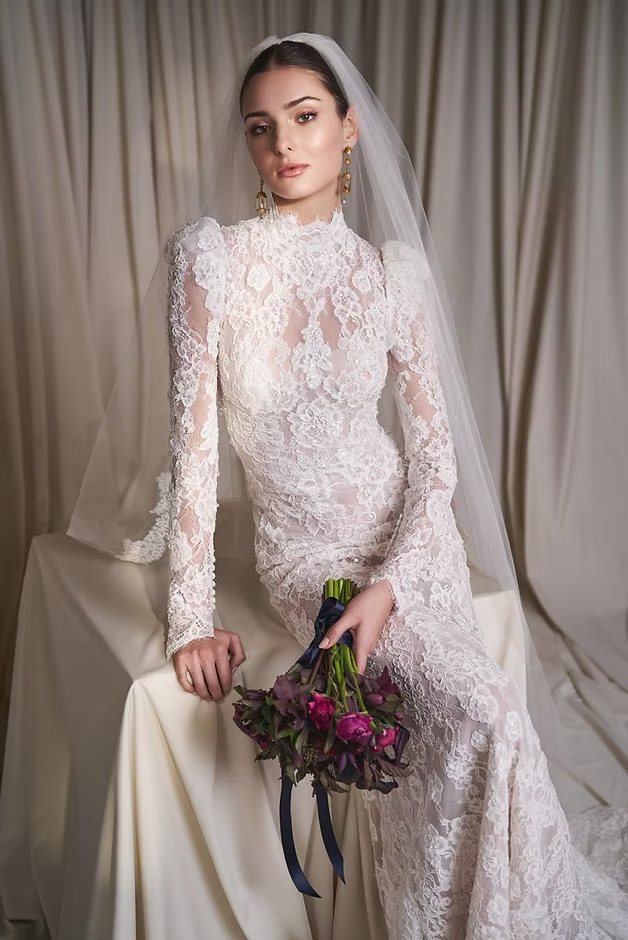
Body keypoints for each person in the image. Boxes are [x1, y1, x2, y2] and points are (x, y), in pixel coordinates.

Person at [68, 34, 628, 939]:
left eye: (304, 118)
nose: (283, 144)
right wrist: (189, 619)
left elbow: (435, 464)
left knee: (491, 715)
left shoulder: (392, 274)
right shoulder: (209, 262)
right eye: (262, 128)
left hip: (407, 547)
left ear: (347, 130)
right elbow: (197, 454)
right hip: (310, 562)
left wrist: (393, 582)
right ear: (248, 145)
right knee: (480, 714)